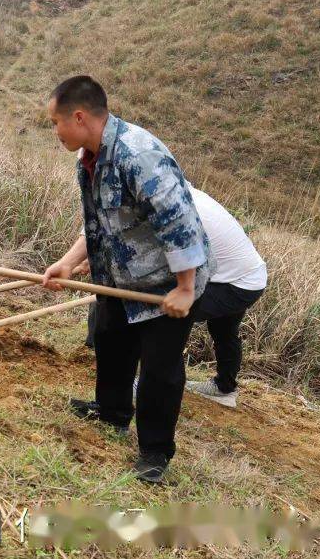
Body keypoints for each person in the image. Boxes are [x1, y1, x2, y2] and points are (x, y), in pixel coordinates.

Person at [42, 75, 211, 484]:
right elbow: (100, 222)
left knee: (159, 370)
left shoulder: (139, 156)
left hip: (167, 282)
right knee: (110, 339)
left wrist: (185, 289)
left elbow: (180, 224)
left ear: (79, 117)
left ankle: (155, 451)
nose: (54, 131)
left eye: (55, 122)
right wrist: (68, 262)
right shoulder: (90, 158)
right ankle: (113, 413)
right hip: (120, 274)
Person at [81, 185, 267, 408]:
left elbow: (166, 260)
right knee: (224, 330)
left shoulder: (177, 209)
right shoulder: (173, 192)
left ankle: (145, 384)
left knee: (162, 319)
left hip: (236, 283)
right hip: (244, 274)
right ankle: (224, 389)